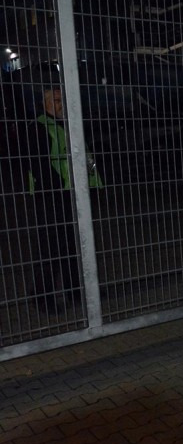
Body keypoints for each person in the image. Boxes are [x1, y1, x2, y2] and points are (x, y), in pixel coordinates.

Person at [20, 85, 102, 312]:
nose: (61, 105)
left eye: (63, 100)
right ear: (45, 103)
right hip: (53, 196)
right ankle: (42, 296)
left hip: (73, 192)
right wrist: (55, 186)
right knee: (51, 248)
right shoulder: (39, 126)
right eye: (56, 100)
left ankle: (75, 290)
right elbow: (38, 163)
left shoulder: (68, 123)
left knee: (74, 244)